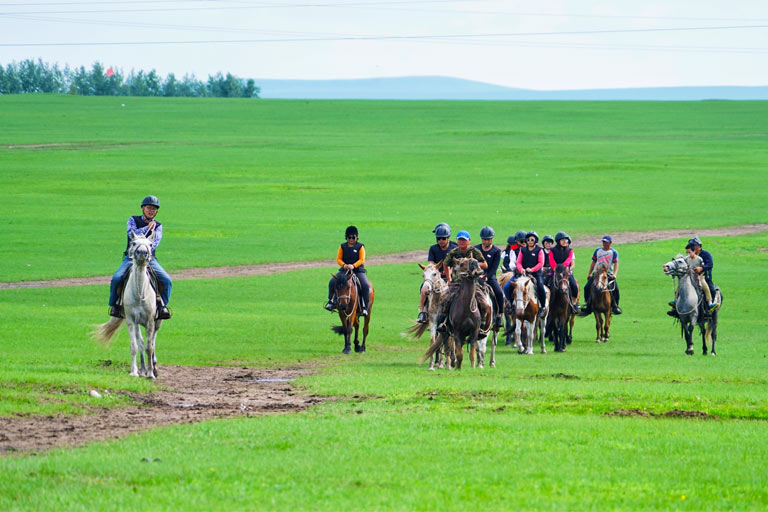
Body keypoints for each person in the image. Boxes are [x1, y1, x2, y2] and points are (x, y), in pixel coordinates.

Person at [108, 195, 172, 319]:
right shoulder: (132, 219)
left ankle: (163, 307)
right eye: (149, 207)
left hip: (149, 259)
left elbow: (155, 243)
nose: (151, 211)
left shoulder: (158, 226)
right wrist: (146, 228)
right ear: (143, 208)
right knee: (116, 278)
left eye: (154, 209)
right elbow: (131, 234)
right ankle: (115, 305)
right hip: (131, 258)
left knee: (166, 280)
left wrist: (145, 253)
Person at [436, 230, 486, 332]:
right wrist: (449, 279)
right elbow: (446, 264)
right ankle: (443, 323)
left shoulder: (474, 252)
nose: (462, 242)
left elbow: (485, 264)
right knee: (444, 299)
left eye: (464, 240)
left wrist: (473, 263)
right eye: (460, 240)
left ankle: (482, 324)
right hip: (456, 284)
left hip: (472, 284)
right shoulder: (453, 252)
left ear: (469, 240)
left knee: (484, 302)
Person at [417, 223, 457, 324]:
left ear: (448, 238)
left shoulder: (454, 247)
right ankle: (423, 312)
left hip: (452, 276)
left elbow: (455, 263)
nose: (441, 241)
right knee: (423, 288)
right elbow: (430, 263)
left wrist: (449, 272)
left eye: (443, 238)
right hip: (436, 276)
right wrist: (435, 270)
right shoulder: (433, 248)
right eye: (438, 238)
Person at [326, 226, 371, 316]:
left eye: (353, 237)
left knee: (365, 285)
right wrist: (344, 265)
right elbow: (338, 259)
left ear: (356, 237)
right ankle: (331, 301)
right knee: (332, 281)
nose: (351, 239)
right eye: (349, 237)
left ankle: (365, 307)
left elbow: (362, 260)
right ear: (346, 238)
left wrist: (353, 266)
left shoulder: (360, 247)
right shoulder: (342, 246)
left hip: (358, 270)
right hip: (344, 270)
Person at [667, 238, 717, 314]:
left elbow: (710, 265)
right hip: (689, 278)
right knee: (680, 287)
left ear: (698, 246)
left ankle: (709, 307)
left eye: (693, 245)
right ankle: (676, 306)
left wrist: (701, 269)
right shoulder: (688, 258)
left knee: (711, 289)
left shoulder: (704, 255)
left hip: (702, 277)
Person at [579, 235, 622, 316]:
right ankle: (588, 305)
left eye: (606, 242)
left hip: (608, 274)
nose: (604, 243)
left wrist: (615, 274)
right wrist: (589, 273)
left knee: (615, 289)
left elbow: (616, 264)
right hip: (597, 274)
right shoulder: (597, 250)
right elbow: (593, 262)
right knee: (587, 287)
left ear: (610, 243)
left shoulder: (614, 252)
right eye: (603, 242)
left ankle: (615, 306)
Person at [515, 231, 549, 318]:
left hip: (536, 274)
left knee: (541, 286)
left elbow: (541, 263)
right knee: (509, 286)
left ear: (535, 241)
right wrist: (521, 269)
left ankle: (542, 306)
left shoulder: (539, 250)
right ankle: (511, 305)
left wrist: (532, 269)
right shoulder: (522, 250)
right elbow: (518, 262)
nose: (530, 241)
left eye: (532, 239)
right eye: (528, 239)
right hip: (523, 273)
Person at [475, 226, 504, 328]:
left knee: (499, 293)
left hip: (489, 277)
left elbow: (494, 267)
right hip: (477, 277)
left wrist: (487, 276)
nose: (486, 241)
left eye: (488, 239)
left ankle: (500, 315)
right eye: (484, 239)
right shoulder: (476, 249)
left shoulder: (496, 251)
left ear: (492, 239)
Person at [546, 231, 580, 313]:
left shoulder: (570, 250)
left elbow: (568, 260)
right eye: (563, 240)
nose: (565, 242)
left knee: (574, 285)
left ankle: (574, 303)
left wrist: (563, 268)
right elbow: (551, 260)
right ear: (558, 241)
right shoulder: (552, 250)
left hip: (566, 271)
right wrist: (555, 268)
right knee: (545, 283)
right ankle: (544, 303)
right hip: (554, 270)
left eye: (566, 240)